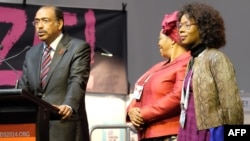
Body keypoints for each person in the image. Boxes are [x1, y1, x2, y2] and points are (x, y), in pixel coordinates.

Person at [19, 6, 91, 141]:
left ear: (59, 23)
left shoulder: (78, 48)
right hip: (36, 129)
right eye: (36, 22)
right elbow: (25, 89)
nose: (39, 26)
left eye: (45, 21)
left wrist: (68, 105)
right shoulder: (31, 53)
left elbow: (77, 80)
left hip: (64, 125)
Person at [177, 2, 244, 141]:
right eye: (180, 26)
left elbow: (232, 106)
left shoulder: (217, 58)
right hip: (188, 129)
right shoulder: (193, 60)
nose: (181, 30)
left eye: (187, 25)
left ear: (203, 28)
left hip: (210, 133)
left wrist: (234, 135)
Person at [126, 11, 191, 141]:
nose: (158, 44)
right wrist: (130, 110)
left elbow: (177, 97)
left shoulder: (186, 62)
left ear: (172, 41)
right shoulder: (158, 67)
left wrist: (143, 114)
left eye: (160, 39)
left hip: (168, 135)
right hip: (147, 135)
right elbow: (139, 92)